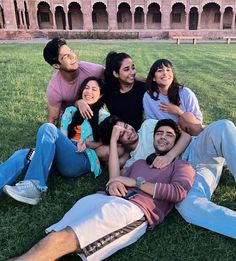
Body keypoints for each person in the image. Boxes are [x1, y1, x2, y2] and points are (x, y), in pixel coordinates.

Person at [11, 119, 195, 261]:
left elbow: (177, 192)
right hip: (101, 198)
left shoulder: (182, 166)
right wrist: (113, 184)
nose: (163, 136)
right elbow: (115, 179)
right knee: (57, 233)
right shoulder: (138, 162)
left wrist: (135, 183)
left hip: (133, 210)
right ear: (153, 137)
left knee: (66, 238)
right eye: (159, 133)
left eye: (169, 135)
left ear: (176, 141)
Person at [100, 115, 236, 239]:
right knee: (188, 207)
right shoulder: (133, 162)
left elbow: (186, 136)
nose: (129, 130)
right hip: (189, 175)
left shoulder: (148, 126)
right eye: (122, 133)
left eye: (126, 126)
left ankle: (225, 153)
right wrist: (112, 139)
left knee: (223, 126)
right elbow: (114, 180)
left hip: (195, 150)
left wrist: (169, 156)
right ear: (118, 142)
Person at [1, 77, 111, 205]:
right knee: (24, 154)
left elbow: (105, 141)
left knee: (48, 128)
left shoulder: (104, 116)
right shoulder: (70, 111)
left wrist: (85, 143)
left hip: (81, 158)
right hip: (60, 155)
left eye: (94, 89)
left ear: (101, 94)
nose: (89, 92)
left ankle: (34, 185)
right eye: (86, 88)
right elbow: (61, 138)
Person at [43, 37, 104, 126]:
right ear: (56, 65)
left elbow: (115, 80)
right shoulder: (55, 88)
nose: (73, 57)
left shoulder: (94, 70)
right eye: (65, 56)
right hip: (70, 121)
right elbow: (53, 119)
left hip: (95, 115)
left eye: (71, 51)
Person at [143, 59, 203, 136]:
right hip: (164, 135)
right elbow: (151, 123)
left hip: (188, 135)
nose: (165, 73)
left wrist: (179, 112)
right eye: (160, 70)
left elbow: (197, 125)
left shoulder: (186, 93)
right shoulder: (148, 97)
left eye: (168, 70)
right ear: (153, 78)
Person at [103, 51, 146, 131]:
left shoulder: (142, 88)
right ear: (116, 74)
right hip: (119, 134)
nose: (132, 72)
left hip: (140, 134)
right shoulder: (108, 91)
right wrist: (80, 102)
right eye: (126, 69)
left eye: (133, 68)